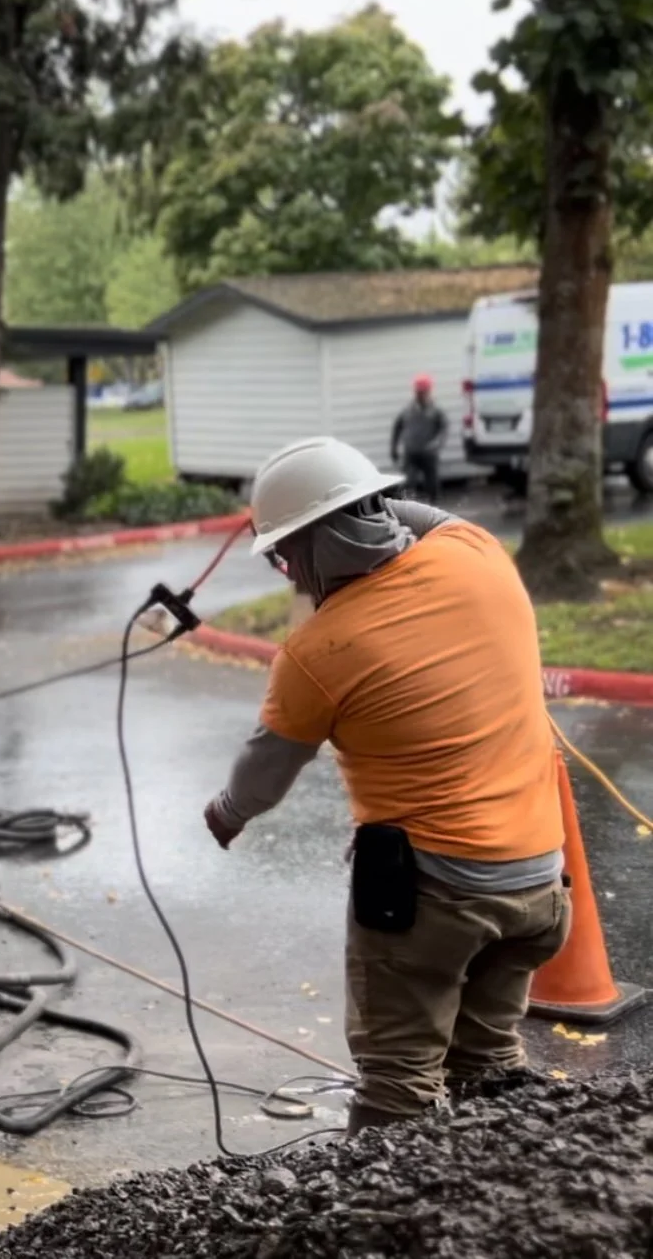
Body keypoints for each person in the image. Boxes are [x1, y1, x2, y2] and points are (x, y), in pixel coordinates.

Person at [205, 436, 570, 1134]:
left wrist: (227, 812)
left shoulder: (317, 652)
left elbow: (264, 772)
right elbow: (429, 520)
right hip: (539, 889)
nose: (288, 575)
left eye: (285, 554)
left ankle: (381, 1222)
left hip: (437, 899)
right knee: (488, 1055)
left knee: (398, 1077)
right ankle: (504, 1193)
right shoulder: (479, 556)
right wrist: (353, 497)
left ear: (313, 547)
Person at [390, 374, 447, 505]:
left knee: (432, 485)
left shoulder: (435, 410)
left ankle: (434, 509)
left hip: (429, 454)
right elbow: (397, 428)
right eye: (418, 392)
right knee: (408, 483)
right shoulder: (408, 410)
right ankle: (408, 509)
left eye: (423, 391)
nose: (420, 394)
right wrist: (394, 448)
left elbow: (443, 429)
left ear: (428, 391)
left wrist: (437, 443)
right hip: (411, 453)